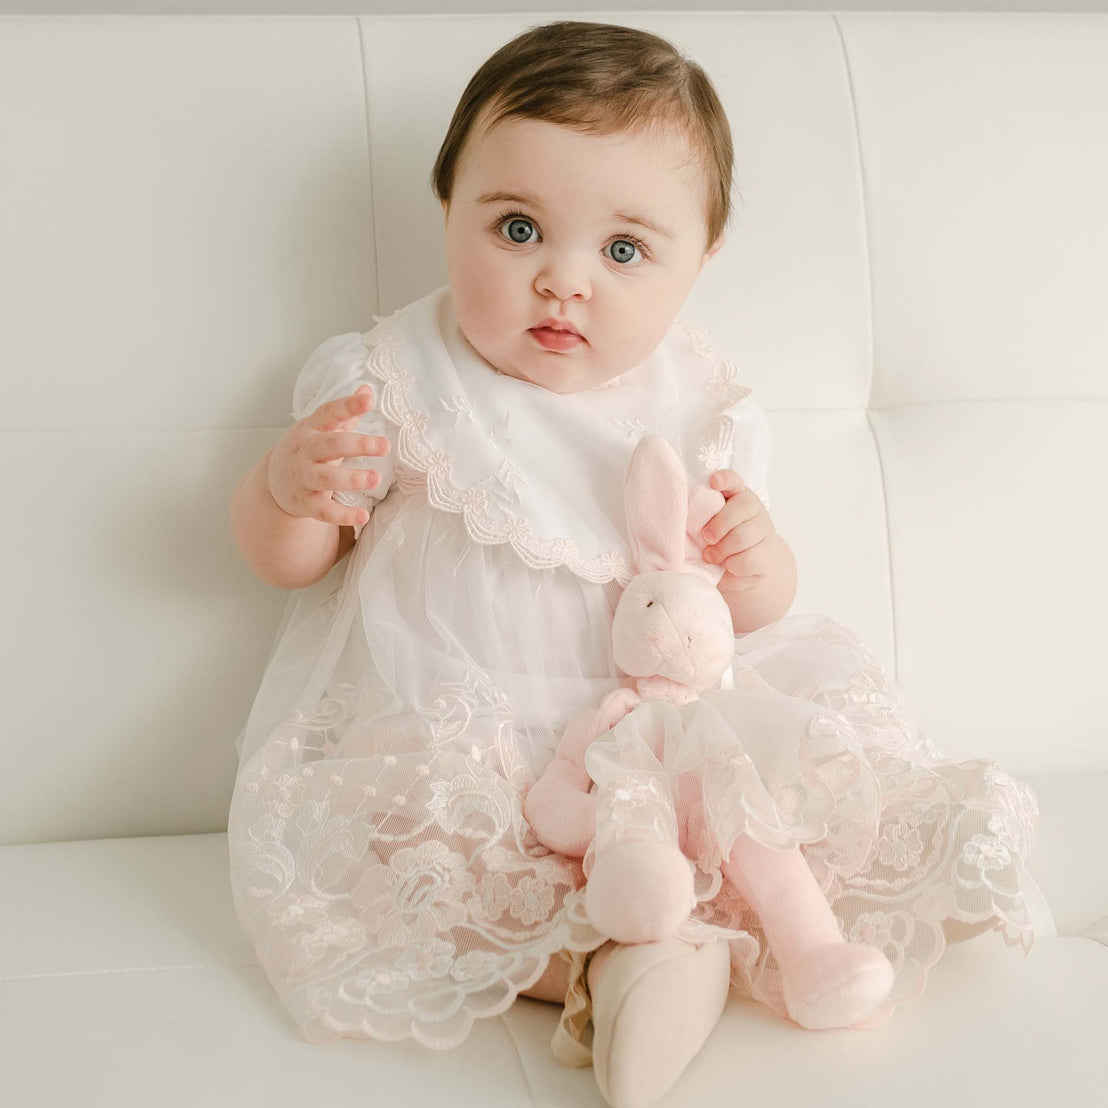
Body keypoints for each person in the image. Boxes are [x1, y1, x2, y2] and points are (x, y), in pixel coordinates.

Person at [227, 19, 1041, 1108]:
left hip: (668, 738)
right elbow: (292, 562)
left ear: (697, 261)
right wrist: (287, 493)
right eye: (517, 229)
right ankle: (624, 962)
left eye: (621, 251)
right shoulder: (393, 381)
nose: (563, 282)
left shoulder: (699, 404)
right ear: (448, 211)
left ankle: (688, 947)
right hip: (477, 742)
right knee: (427, 880)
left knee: (783, 816)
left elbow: (744, 613)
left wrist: (757, 564)